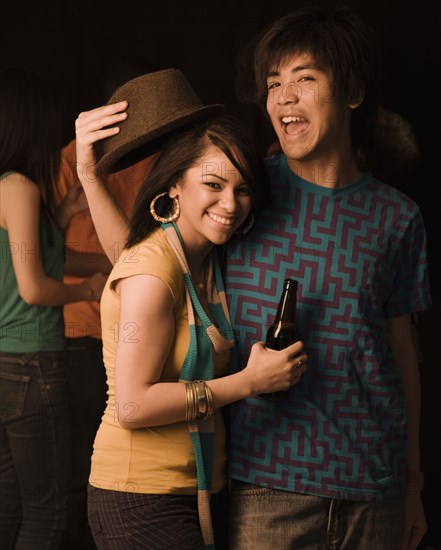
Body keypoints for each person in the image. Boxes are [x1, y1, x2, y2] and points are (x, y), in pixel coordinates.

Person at [224, 5, 431, 550]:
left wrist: (412, 484)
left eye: (305, 79)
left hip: (375, 488)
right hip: (263, 484)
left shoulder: (398, 217)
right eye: (273, 84)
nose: (284, 98)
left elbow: (402, 354)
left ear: (353, 92)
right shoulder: (241, 196)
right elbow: (149, 263)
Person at [74, 68, 308, 549]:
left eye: (243, 190)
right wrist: (249, 382)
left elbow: (130, 254)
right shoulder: (153, 272)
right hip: (139, 496)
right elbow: (133, 405)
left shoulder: (195, 261)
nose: (231, 203)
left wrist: (89, 177)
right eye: (214, 185)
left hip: (189, 491)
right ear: (175, 185)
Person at [54, 55, 158, 550]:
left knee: (131, 460)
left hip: (136, 338)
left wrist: (107, 271)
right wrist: (96, 271)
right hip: (78, 332)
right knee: (76, 462)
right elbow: (36, 249)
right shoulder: (71, 156)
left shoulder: (161, 158)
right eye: (120, 109)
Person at [0, 67, 106, 549]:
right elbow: (34, 288)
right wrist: (89, 292)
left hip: (7, 363)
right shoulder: (18, 186)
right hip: (31, 364)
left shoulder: (10, 187)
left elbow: (25, 257)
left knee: (11, 503)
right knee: (49, 512)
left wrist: (63, 213)